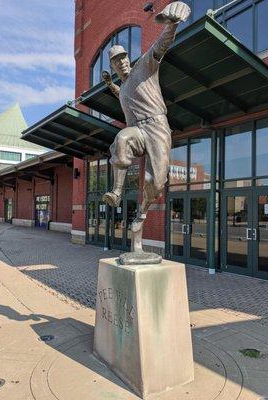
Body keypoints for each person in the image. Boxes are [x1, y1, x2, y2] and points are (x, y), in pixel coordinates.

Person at [102, 1, 191, 249]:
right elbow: (123, 91)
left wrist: (172, 24)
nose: (121, 62)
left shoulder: (144, 66)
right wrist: (111, 86)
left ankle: (139, 219)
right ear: (113, 66)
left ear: (128, 59)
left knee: (156, 182)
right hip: (138, 130)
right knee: (121, 138)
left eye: (123, 58)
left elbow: (161, 46)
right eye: (116, 61)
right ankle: (116, 193)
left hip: (157, 127)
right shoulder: (121, 91)